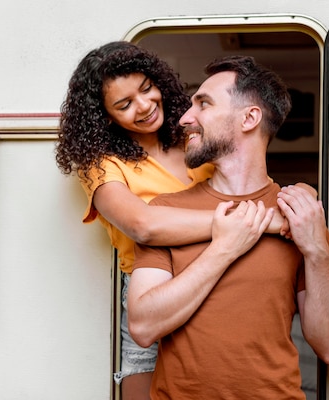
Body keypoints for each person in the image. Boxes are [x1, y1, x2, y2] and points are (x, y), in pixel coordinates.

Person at [55, 42, 292, 399]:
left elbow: (247, 179)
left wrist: (293, 199)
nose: (145, 105)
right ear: (106, 117)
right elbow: (143, 226)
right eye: (125, 104)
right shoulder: (103, 165)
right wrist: (259, 223)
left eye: (146, 88)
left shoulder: (195, 139)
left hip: (226, 273)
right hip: (151, 287)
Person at [127, 55, 329, 399]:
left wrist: (316, 249)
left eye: (203, 103)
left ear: (249, 118)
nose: (186, 118)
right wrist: (224, 249)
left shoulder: (298, 214)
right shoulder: (167, 212)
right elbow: (143, 327)